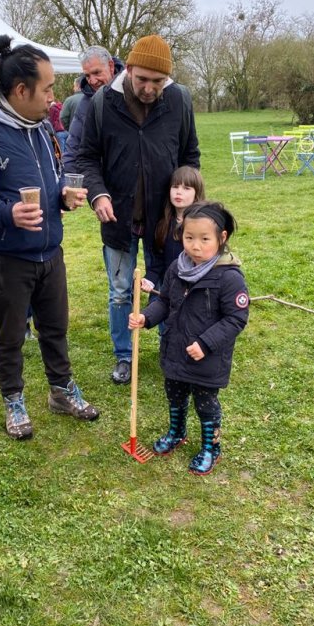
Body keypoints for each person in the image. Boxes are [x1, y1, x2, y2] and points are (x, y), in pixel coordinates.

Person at [0, 35, 100, 440]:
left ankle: (61, 391)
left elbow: (49, 180)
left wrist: (63, 195)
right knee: (10, 335)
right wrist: (6, 214)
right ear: (20, 90)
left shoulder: (42, 127)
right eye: (46, 89)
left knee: (56, 328)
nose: (53, 97)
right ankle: (13, 399)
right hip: (7, 258)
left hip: (51, 252)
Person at [76, 34, 201, 385]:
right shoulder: (103, 102)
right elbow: (87, 157)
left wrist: (188, 198)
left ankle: (168, 348)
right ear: (127, 69)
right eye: (142, 79)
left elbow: (190, 155)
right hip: (119, 217)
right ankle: (124, 356)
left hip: (168, 219)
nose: (149, 88)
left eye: (157, 81)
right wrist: (97, 195)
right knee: (120, 290)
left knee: (169, 284)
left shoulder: (179, 100)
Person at [129, 202, 249, 475]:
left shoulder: (229, 277)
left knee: (205, 404)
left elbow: (235, 319)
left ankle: (211, 447)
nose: (195, 246)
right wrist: (146, 318)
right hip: (176, 349)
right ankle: (176, 432)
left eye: (204, 239)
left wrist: (206, 344)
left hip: (206, 358)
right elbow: (166, 302)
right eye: (189, 237)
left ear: (222, 238)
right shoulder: (177, 268)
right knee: (175, 394)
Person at [141, 166, 206, 295]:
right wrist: (149, 280)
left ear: (196, 193)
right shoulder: (164, 224)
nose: (179, 192)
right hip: (168, 290)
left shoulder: (203, 225)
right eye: (175, 187)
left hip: (196, 291)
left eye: (186, 188)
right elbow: (159, 260)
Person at [62, 46, 124, 173]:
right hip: (96, 182)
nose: (92, 81)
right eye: (87, 75)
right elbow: (73, 149)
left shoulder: (130, 93)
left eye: (97, 73)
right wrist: (71, 181)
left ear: (111, 66)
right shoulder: (85, 104)